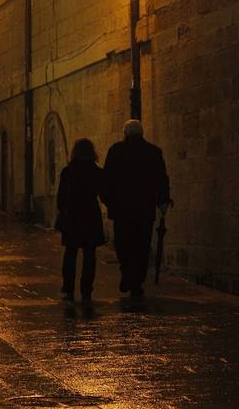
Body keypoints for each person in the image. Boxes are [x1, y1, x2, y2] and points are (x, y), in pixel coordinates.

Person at [103, 118, 171, 297]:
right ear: (142, 133)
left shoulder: (116, 151)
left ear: (125, 133)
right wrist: (163, 200)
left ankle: (127, 273)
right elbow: (161, 179)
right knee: (142, 244)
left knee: (123, 243)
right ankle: (137, 281)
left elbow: (107, 179)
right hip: (144, 207)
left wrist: (108, 201)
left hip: (121, 208)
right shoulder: (153, 152)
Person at [56, 138, 105, 302]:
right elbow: (103, 194)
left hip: (73, 215)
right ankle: (86, 289)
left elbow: (61, 197)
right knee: (90, 253)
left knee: (70, 252)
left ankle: (68, 288)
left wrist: (62, 211)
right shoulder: (97, 171)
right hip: (90, 214)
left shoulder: (68, 171)